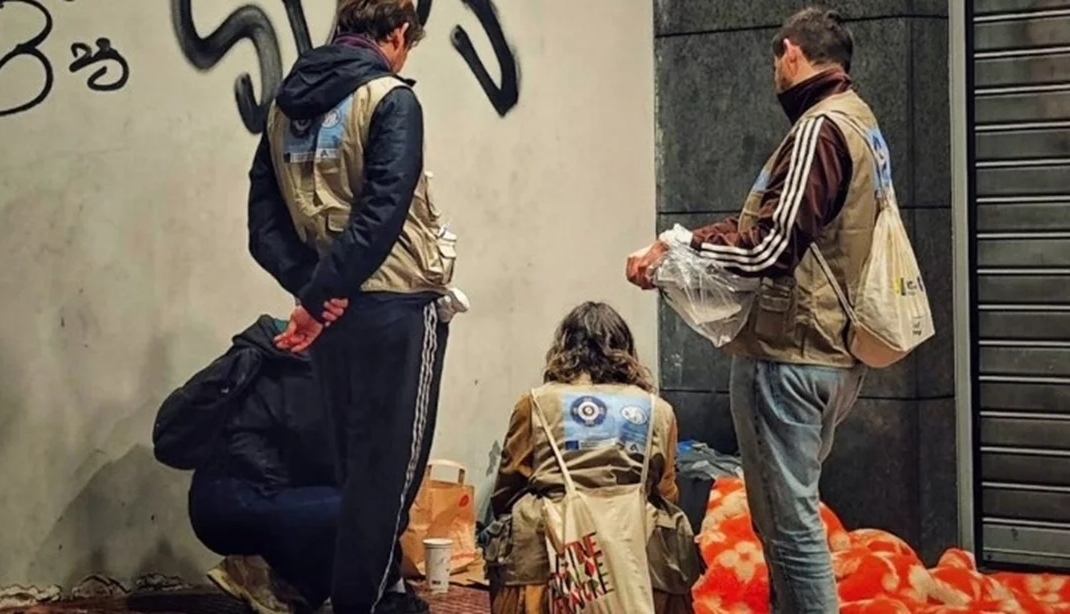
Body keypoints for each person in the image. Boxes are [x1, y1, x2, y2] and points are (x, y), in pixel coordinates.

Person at [627, 8, 879, 613]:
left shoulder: (820, 130)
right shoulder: (862, 123)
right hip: (832, 350)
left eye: (775, 62)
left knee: (790, 531)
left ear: (791, 54)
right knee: (789, 521)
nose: (775, 74)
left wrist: (678, 249)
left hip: (791, 352)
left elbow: (771, 246)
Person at [246, 1, 459, 612]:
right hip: (397, 306)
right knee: (391, 476)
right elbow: (384, 211)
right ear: (396, 34)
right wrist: (320, 296)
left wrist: (314, 291)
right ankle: (360, 603)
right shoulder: (392, 100)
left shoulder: (283, 108)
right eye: (407, 45)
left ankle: (384, 596)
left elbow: (262, 226)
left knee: (353, 468)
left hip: (333, 315)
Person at [485, 302, 701, 614]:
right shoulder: (657, 410)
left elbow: (509, 484)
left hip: (545, 558)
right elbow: (666, 490)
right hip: (641, 560)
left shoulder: (535, 403)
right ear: (626, 350)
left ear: (563, 347)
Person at [154, 315, 338, 614]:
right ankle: (280, 581)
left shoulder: (270, 344)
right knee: (366, 512)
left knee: (363, 509)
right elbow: (332, 465)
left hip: (213, 499)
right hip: (242, 501)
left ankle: (274, 584)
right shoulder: (310, 366)